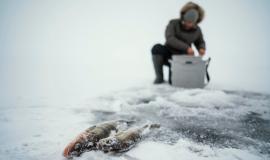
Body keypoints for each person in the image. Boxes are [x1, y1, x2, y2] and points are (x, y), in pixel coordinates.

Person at [151, 2, 206, 84]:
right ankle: (159, 78)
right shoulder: (173, 24)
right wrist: (187, 48)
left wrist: (201, 48)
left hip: (182, 58)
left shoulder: (197, 30)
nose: (187, 24)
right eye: (186, 21)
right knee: (156, 48)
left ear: (195, 22)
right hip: (168, 54)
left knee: (173, 82)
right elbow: (170, 38)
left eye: (191, 22)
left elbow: (200, 41)